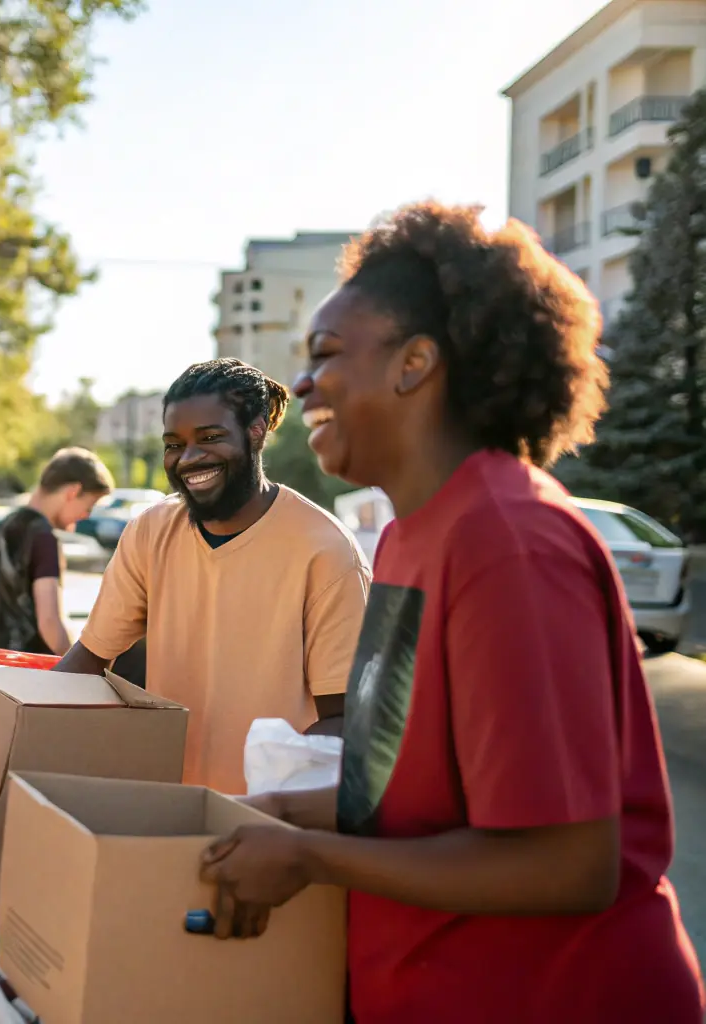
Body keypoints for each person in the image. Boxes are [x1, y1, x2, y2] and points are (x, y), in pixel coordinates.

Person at [199, 202, 705, 1023]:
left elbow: (567, 863)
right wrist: (284, 814)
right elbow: (422, 792)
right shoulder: (405, 539)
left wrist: (308, 857)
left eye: (325, 355)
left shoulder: (510, 542)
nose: (299, 384)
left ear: (414, 363)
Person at [54, 358, 370, 792]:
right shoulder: (150, 531)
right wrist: (6, 726)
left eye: (211, 438)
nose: (188, 458)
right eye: (173, 444)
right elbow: (89, 659)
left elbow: (346, 721)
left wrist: (270, 794)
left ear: (256, 431)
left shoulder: (325, 549)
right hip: (167, 806)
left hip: (267, 826)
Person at [0, 447, 114, 656]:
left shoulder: (6, 526)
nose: (86, 515)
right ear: (73, 492)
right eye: (89, 506)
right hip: (25, 669)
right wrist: (77, 667)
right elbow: (49, 622)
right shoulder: (44, 539)